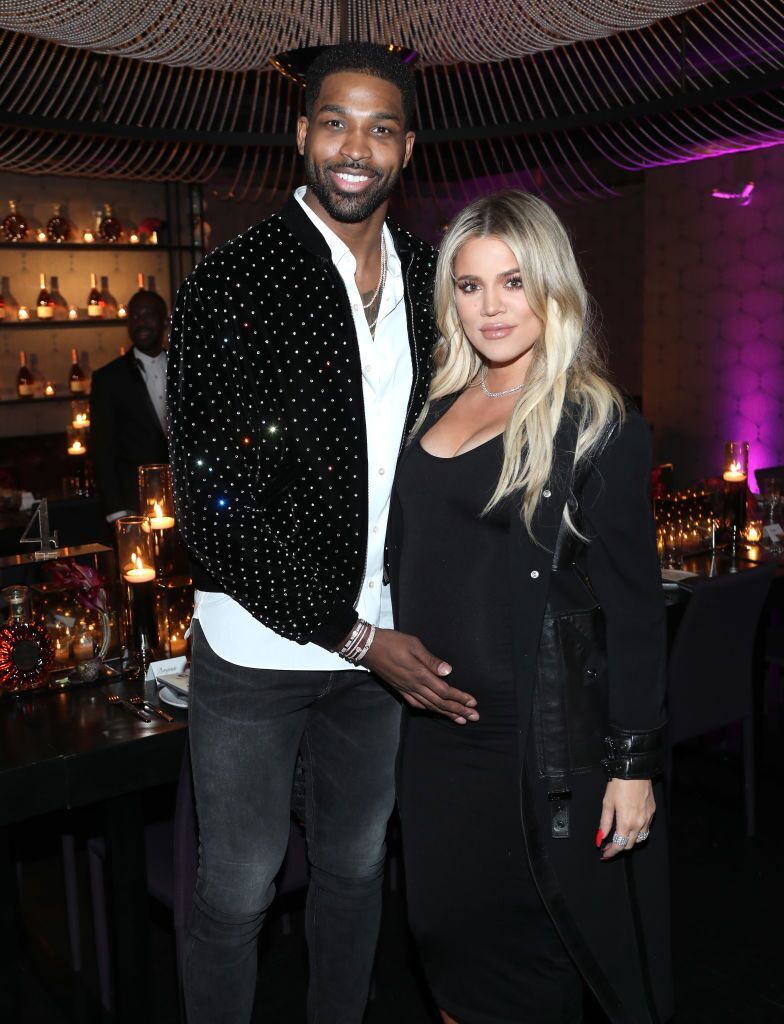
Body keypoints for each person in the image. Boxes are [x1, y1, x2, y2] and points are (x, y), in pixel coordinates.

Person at [167, 42, 476, 1024]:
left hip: (389, 645)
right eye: (334, 121)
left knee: (352, 870)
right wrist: (356, 636)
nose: (355, 146)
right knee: (240, 887)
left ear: (407, 148)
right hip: (257, 649)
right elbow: (214, 513)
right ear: (300, 134)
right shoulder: (234, 283)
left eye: (380, 127)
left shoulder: (435, 284)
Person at [388, 190, 672, 1024]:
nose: (491, 307)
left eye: (513, 282)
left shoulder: (596, 424)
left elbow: (636, 613)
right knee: (443, 948)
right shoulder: (431, 410)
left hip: (536, 754)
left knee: (534, 972)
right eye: (470, 287)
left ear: (552, 287)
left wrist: (632, 765)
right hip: (433, 748)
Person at [89, 288, 169, 521]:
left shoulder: (184, 370)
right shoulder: (109, 378)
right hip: (135, 505)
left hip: (188, 503)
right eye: (134, 316)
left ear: (164, 320)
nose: (140, 322)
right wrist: (117, 513)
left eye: (148, 315)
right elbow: (103, 451)